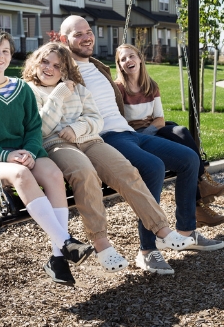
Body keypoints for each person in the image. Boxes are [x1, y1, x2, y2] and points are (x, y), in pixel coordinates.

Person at [59, 15, 224, 276]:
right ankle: (148, 251)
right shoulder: (64, 70)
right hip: (105, 138)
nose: (86, 37)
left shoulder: (98, 66)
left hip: (128, 132)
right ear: (63, 39)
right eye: (77, 34)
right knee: (153, 167)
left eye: (88, 31)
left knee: (189, 159)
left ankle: (186, 230)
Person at [21, 43, 195, 275]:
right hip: (56, 144)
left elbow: (95, 118)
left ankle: (161, 229)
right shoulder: (29, 90)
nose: (49, 69)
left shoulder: (79, 89)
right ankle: (102, 245)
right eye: (45, 62)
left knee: (126, 171)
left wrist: (78, 127)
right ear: (35, 62)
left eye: (57, 66)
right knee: (85, 174)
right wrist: (58, 95)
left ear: (65, 70)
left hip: (89, 139)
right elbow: (41, 128)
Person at [0, 29, 93, 286]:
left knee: (52, 172)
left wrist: (29, 151)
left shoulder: (22, 89)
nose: (0, 56)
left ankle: (57, 258)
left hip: (27, 154)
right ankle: (65, 242)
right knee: (20, 173)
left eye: (5, 51)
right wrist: (8, 154)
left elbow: (33, 129)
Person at [113, 43, 224, 228]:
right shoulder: (118, 89)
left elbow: (160, 119)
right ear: (120, 65)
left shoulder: (151, 86)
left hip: (152, 130)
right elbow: (118, 122)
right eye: (123, 59)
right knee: (183, 158)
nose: (128, 60)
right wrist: (144, 134)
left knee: (181, 131)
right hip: (131, 137)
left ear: (140, 58)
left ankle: (203, 181)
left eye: (131, 56)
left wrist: (149, 131)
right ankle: (198, 203)